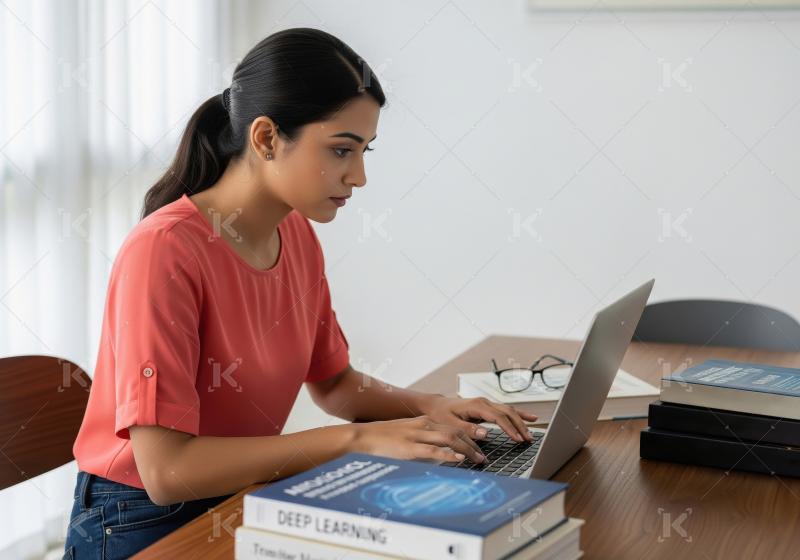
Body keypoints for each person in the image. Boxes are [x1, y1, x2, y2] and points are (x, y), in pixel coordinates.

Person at [63, 27, 537, 559]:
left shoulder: (297, 234)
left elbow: (335, 386)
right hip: (141, 520)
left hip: (244, 493)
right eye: (341, 150)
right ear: (266, 139)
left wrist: (437, 409)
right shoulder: (165, 250)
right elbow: (167, 472)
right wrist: (357, 442)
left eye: (363, 152)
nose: (357, 177)